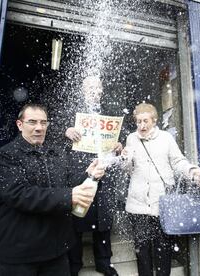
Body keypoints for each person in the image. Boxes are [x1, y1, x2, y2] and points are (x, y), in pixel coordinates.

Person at [0, 103, 106, 276]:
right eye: (32, 122)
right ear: (20, 124)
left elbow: (69, 183)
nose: (39, 127)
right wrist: (69, 196)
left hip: (56, 252)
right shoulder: (8, 154)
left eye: (43, 122)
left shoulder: (56, 152)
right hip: (21, 254)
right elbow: (18, 194)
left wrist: (89, 174)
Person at [120, 103, 200, 276]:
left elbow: (178, 162)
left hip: (162, 204)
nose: (142, 126)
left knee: (163, 251)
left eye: (145, 121)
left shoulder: (166, 138)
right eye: (138, 122)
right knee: (142, 252)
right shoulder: (131, 138)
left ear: (154, 121)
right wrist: (126, 159)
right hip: (137, 205)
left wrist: (193, 172)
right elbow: (128, 170)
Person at [63, 76, 121, 276]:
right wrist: (66, 131)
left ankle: (104, 262)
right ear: (82, 89)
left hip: (104, 172)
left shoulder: (110, 111)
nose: (94, 91)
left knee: (103, 220)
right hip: (80, 173)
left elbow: (118, 141)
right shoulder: (71, 110)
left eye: (97, 87)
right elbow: (54, 135)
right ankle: (74, 264)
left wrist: (119, 146)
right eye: (89, 87)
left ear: (102, 90)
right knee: (76, 218)